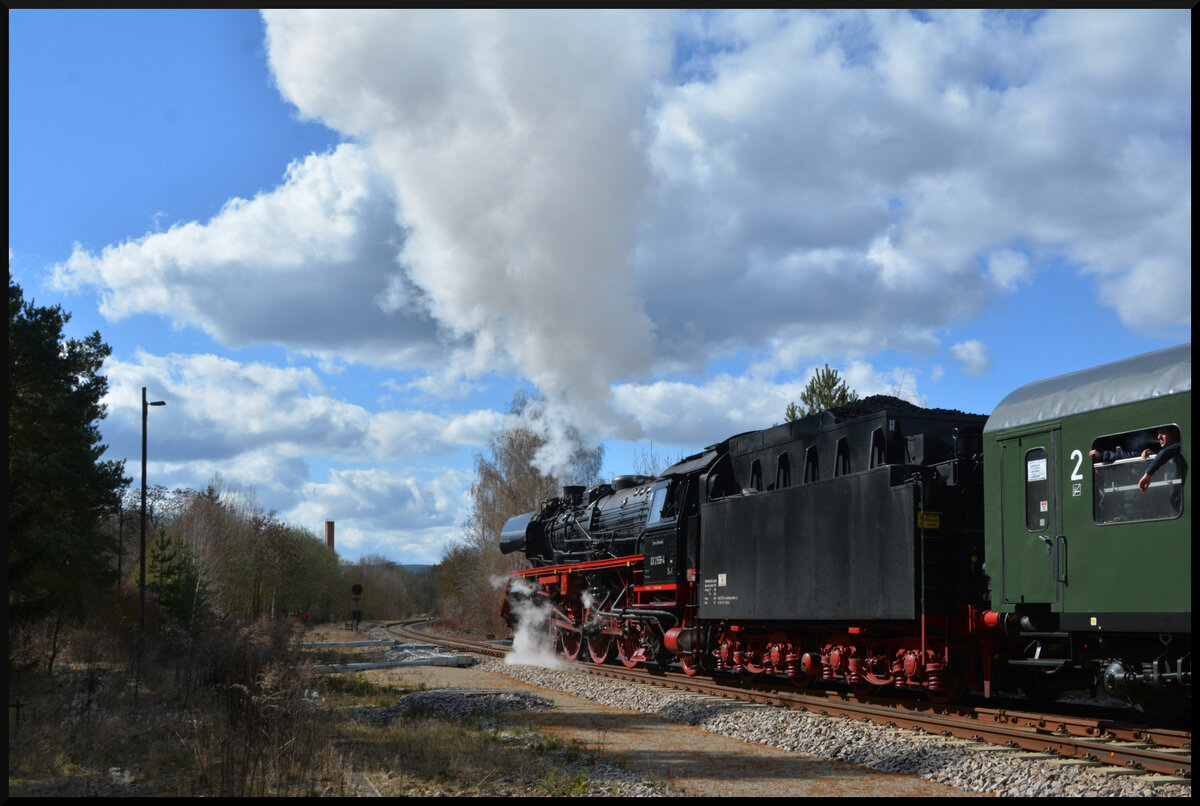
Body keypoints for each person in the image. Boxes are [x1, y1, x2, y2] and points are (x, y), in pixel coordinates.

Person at [1136, 425, 1182, 492]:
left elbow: (1164, 453)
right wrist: (1154, 457)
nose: (1158, 437)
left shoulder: (1180, 445)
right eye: (1158, 434)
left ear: (1174, 434)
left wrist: (1148, 474)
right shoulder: (1164, 455)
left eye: (1163, 433)